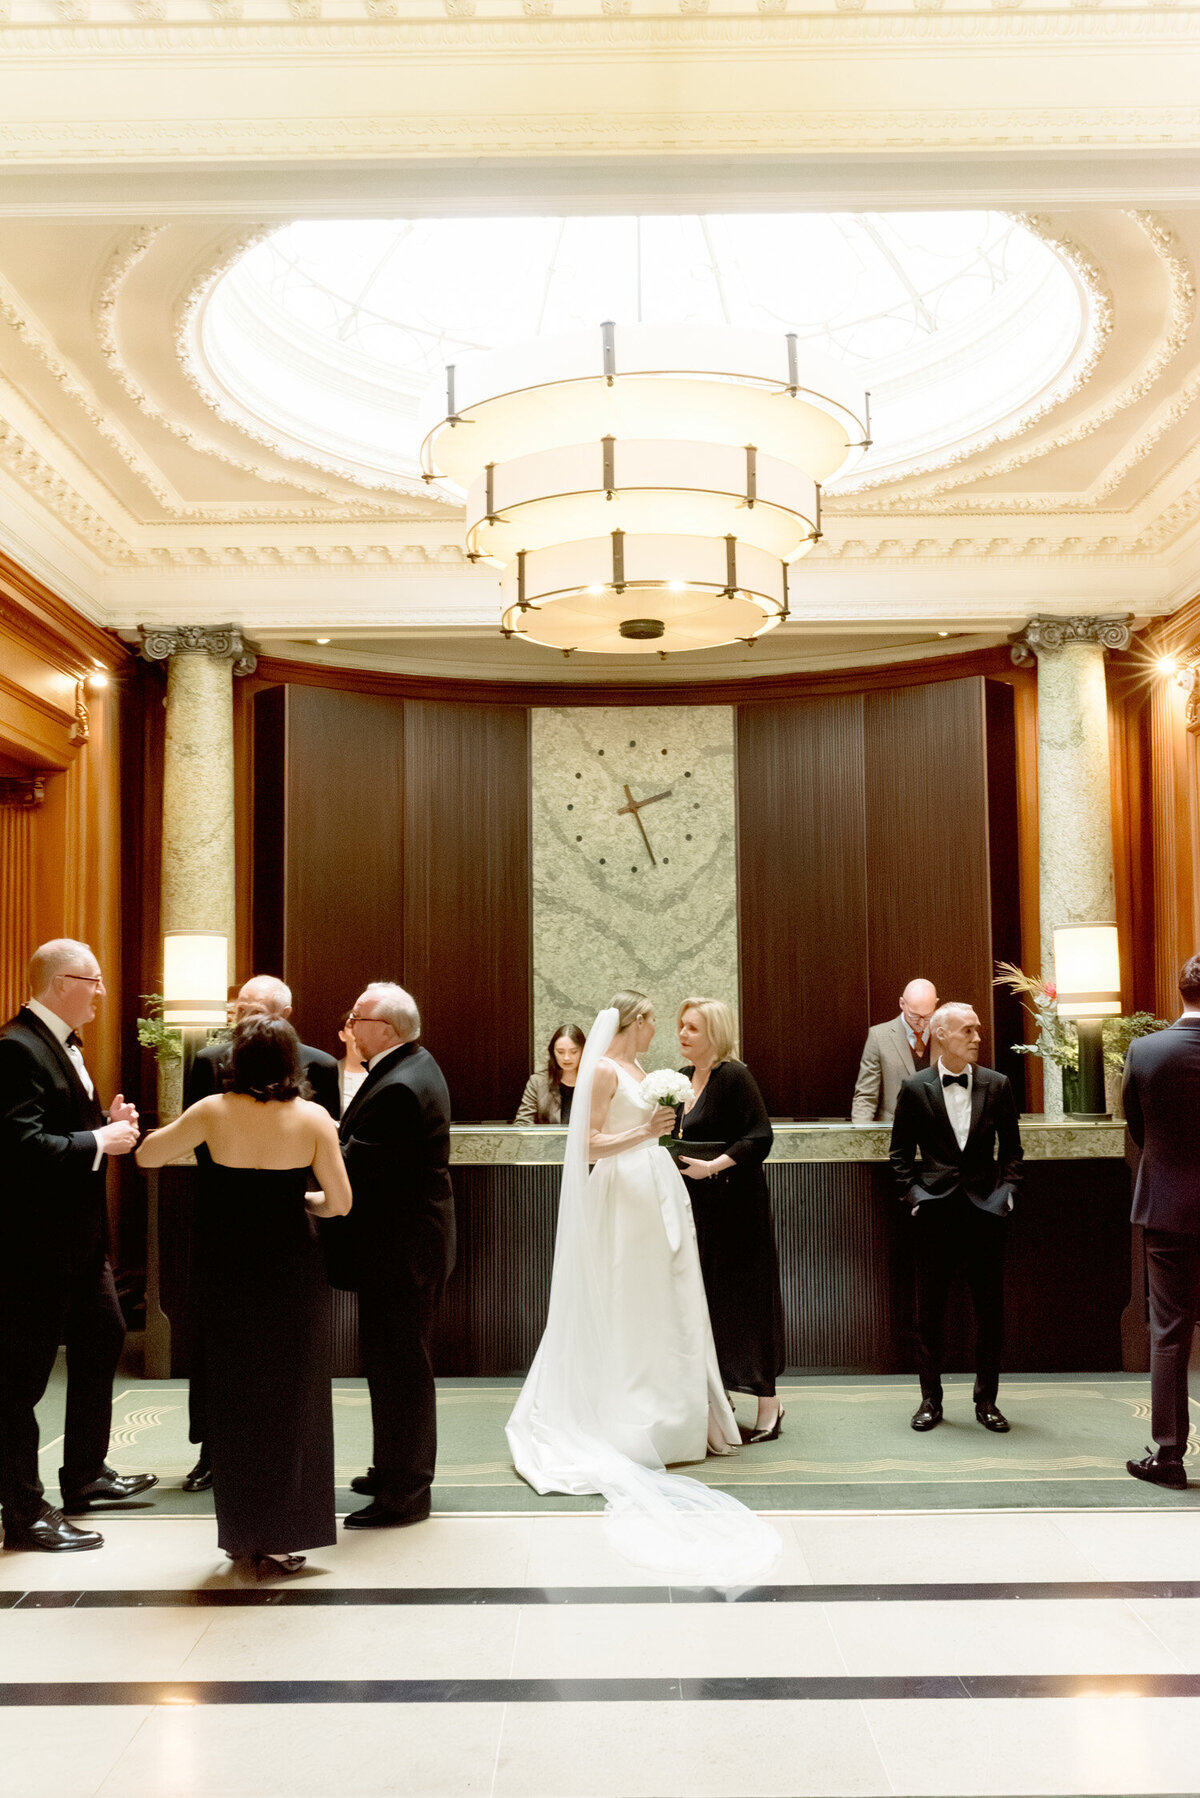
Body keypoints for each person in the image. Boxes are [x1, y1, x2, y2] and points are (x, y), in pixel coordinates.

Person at [506, 992, 778, 1583]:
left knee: (667, 1302)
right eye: (656, 1017)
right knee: (629, 1299)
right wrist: (646, 1134)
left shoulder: (642, 1072)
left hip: (658, 1185)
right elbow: (585, 1145)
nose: (663, 1027)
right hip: (624, 1191)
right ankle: (630, 1416)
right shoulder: (604, 1070)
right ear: (634, 1023)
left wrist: (658, 1134)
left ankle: (677, 1414)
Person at [137, 1015, 350, 1574]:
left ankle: (241, 1534)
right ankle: (283, 1535)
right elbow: (340, 1202)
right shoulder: (313, 1119)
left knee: (235, 1399)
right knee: (292, 1398)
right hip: (291, 1272)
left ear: (235, 1061)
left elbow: (147, 1156)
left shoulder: (211, 1112)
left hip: (228, 1269)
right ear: (290, 1063)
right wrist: (296, 1204)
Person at [0, 939, 155, 1554]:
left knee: (104, 1337)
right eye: (94, 980)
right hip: (32, 1249)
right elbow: (19, 1150)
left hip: (80, 1243)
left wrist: (100, 1126)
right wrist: (101, 1143)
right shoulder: (16, 1048)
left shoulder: (56, 1044)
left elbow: (59, 1129)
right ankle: (24, 1511)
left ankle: (85, 1475)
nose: (101, 990)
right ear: (64, 981)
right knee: (17, 1383)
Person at [181, 973, 340, 1495]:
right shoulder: (207, 1062)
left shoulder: (321, 1065)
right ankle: (211, 1449)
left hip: (286, 1223)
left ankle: (284, 1459)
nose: (241, 1017)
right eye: (238, 1007)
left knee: (283, 1352)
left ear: (282, 1014)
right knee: (217, 1341)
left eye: (253, 1010)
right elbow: (196, 1144)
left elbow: (326, 1151)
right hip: (221, 1219)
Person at [337, 983, 455, 1529]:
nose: (349, 1025)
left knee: (401, 1371)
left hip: (401, 1252)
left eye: (357, 1017)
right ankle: (392, 1469)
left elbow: (355, 1164)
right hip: (405, 1248)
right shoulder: (409, 1063)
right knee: (389, 1367)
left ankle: (406, 1491)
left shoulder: (402, 1085)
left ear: (383, 1029)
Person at [889, 1002, 1023, 1435]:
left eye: (978, 1030)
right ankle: (930, 1400)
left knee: (990, 1314)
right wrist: (915, 1196)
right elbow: (899, 1154)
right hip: (935, 1214)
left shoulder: (998, 1085)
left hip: (986, 1212)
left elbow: (1013, 1154)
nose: (977, 1037)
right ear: (942, 1035)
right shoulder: (915, 1087)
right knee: (929, 1313)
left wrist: (1006, 1195)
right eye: (968, 1031)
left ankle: (987, 1402)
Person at [676, 996, 786, 1442]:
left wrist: (712, 1166)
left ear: (714, 1034)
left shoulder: (734, 1075)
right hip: (699, 1209)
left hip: (737, 1207)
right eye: (681, 1026)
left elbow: (760, 1137)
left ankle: (770, 1405)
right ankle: (721, 1396)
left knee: (747, 1301)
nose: (682, 1034)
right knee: (709, 1302)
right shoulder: (682, 1079)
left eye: (692, 1028)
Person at [1122, 955, 1200, 1490]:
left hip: (1168, 1209)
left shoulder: (1146, 1050)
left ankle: (1169, 1457)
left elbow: (1136, 1124)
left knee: (1169, 1332)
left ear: (1182, 991)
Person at [852, 978, 940, 1124]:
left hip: (937, 1134)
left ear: (936, 1004)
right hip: (893, 1131)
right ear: (902, 1003)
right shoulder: (879, 1036)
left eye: (927, 1016)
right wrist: (861, 1138)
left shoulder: (944, 1034)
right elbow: (866, 1096)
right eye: (914, 1016)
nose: (921, 1023)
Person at [514, 1024, 586, 1125]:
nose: (566, 1058)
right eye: (560, 1052)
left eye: (573, 1052)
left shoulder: (595, 1080)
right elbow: (523, 1123)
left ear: (583, 1052)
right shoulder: (537, 1082)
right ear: (553, 1052)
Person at [337, 1010, 369, 1110]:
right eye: (352, 1026)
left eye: (364, 1027)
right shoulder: (331, 1072)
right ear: (342, 1035)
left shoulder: (383, 1072)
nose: (358, 1032)